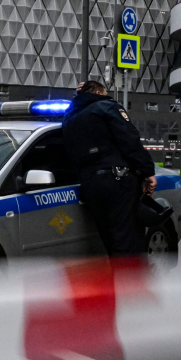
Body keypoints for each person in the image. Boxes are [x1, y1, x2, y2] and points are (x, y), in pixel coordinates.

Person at [62, 80, 157, 258]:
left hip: (89, 184)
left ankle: (115, 281)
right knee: (126, 239)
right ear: (98, 92)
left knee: (108, 239)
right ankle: (128, 283)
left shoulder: (68, 118)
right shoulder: (106, 107)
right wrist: (148, 172)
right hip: (117, 181)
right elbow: (129, 140)